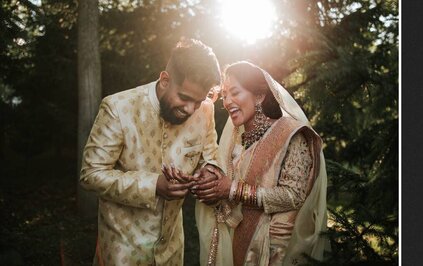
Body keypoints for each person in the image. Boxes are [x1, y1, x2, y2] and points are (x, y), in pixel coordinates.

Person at [80, 38, 223, 265]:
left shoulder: (205, 111)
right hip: (121, 249)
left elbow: (210, 156)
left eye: (197, 101)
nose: (190, 109)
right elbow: (91, 174)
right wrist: (154, 185)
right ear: (165, 80)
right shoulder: (118, 108)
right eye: (184, 98)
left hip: (172, 251)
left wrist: (210, 172)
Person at [193, 61, 329, 266]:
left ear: (259, 95)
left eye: (235, 93)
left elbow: (293, 196)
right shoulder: (236, 140)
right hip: (239, 242)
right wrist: (210, 186)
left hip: (275, 250)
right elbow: (227, 189)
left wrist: (231, 190)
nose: (228, 102)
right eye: (225, 95)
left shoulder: (291, 135)